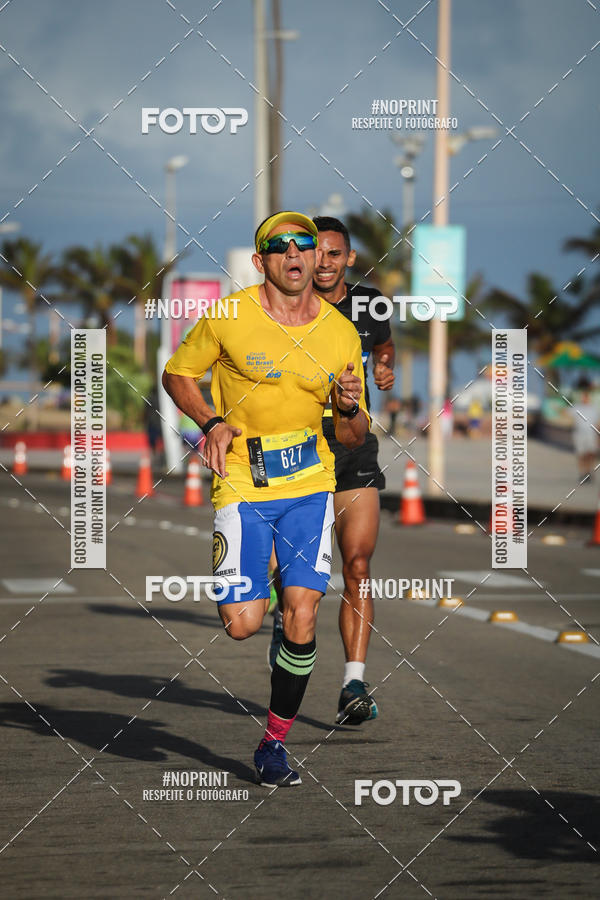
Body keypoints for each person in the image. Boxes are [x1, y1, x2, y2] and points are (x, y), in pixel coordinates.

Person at [162, 211, 369, 787]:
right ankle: (271, 598)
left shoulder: (338, 332)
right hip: (243, 483)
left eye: (304, 245)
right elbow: (177, 375)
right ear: (262, 262)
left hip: (310, 485)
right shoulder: (228, 316)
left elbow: (354, 435)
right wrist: (210, 419)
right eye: (280, 247)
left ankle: (274, 743)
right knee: (241, 625)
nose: (296, 254)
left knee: (304, 613)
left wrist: (349, 408)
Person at [268, 215, 395, 726]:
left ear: (349, 260)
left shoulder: (369, 304)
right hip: (292, 450)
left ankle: (354, 682)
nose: (323, 261)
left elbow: (382, 343)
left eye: (334, 254)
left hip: (352, 447)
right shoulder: (284, 303)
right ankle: (285, 611)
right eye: (314, 251)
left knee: (358, 564)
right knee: (283, 570)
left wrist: (383, 365)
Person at [570, 377, 599, 482]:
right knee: (581, 454)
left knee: (590, 454)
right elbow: (566, 415)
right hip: (580, 434)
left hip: (591, 434)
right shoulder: (576, 407)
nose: (585, 398)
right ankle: (582, 473)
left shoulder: (594, 408)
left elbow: (598, 423)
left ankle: (588, 472)